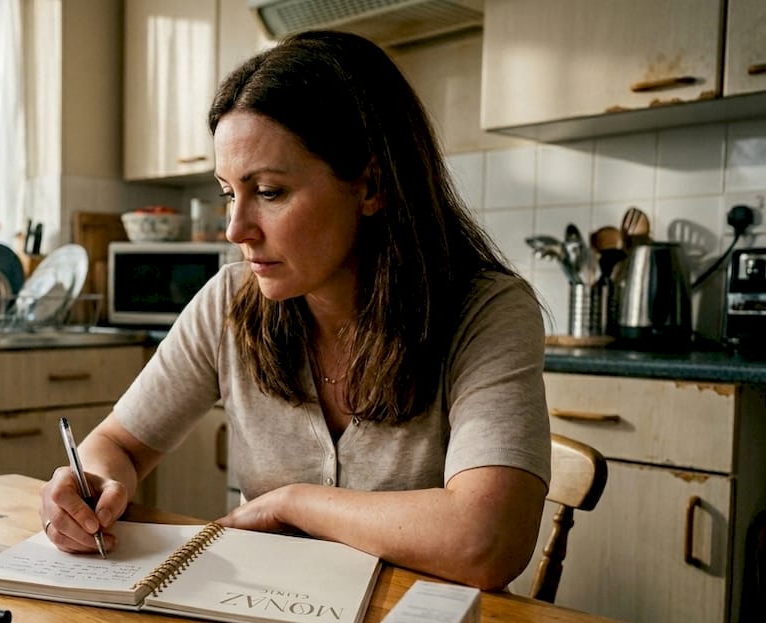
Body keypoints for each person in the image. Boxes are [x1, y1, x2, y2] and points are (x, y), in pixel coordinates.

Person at [41, 30, 550, 591]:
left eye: (270, 191)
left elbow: (487, 541)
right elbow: (116, 445)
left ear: (372, 185)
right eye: (229, 193)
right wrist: (90, 484)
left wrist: (294, 504)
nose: (237, 229)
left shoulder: (486, 312)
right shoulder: (229, 303)